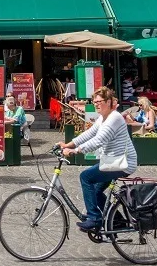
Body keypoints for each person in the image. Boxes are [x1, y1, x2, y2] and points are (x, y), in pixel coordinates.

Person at [59, 86, 138, 233]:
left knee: (86, 177)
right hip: (112, 161)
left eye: (99, 101)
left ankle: (94, 218)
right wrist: (68, 144)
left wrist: (75, 151)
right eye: (93, 101)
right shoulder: (103, 118)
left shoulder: (114, 118)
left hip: (122, 163)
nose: (95, 104)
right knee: (95, 190)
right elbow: (89, 134)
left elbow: (99, 140)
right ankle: (118, 221)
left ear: (108, 102)